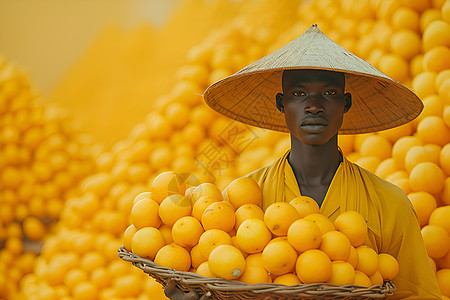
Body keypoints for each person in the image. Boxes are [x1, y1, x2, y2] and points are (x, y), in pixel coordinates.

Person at [164, 24, 442, 299]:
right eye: (299, 94)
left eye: (329, 93)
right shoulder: (241, 201)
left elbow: (416, 293)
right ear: (280, 103)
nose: (314, 105)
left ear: (345, 104)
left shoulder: (389, 203)